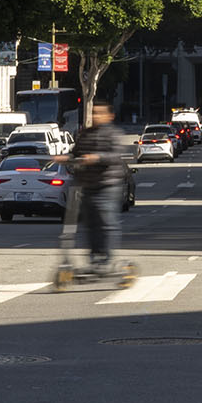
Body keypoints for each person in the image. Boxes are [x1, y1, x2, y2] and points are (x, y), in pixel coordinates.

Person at [66, 100, 133, 283]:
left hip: (107, 185)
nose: (95, 116)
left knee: (106, 223)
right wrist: (65, 158)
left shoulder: (113, 134)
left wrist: (97, 157)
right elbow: (76, 153)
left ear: (110, 116)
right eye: (94, 113)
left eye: (100, 113)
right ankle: (95, 258)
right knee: (90, 224)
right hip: (87, 185)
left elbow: (114, 156)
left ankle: (108, 259)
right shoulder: (85, 134)